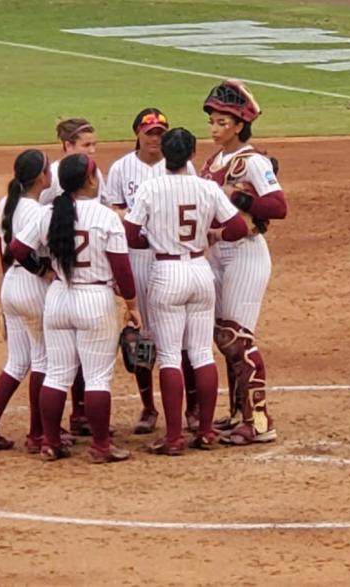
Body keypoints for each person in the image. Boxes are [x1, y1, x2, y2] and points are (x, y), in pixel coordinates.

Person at [123, 128, 249, 454]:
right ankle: (205, 432)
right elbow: (237, 227)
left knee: (168, 358)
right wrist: (211, 235)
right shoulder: (207, 187)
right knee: (202, 354)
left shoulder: (150, 188)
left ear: (165, 153)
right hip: (199, 270)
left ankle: (174, 437)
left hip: (166, 272)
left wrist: (152, 241)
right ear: (192, 155)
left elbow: (130, 233)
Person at [8, 153, 140, 463]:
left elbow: (18, 249)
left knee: (56, 374)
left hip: (58, 298)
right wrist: (132, 305)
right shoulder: (106, 217)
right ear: (91, 180)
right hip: (95, 301)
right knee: (96, 378)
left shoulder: (49, 212)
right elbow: (122, 269)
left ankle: (51, 443)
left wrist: (43, 270)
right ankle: (101, 446)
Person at [199, 79, 288, 445]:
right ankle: (239, 412)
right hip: (219, 252)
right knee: (224, 337)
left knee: (238, 337)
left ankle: (261, 420)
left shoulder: (253, 161)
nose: (215, 129)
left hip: (246, 255)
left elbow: (278, 206)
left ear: (239, 125)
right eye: (213, 122)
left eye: (223, 123)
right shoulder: (212, 162)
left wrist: (238, 197)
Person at [103, 108, 199, 434]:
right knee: (142, 338)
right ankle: (148, 408)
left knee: (183, 338)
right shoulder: (120, 168)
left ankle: (194, 409)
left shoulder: (183, 166)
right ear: (137, 134)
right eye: (150, 132)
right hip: (138, 260)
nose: (155, 138)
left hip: (171, 256)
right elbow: (112, 209)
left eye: (160, 132)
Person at [0, 149, 53, 453]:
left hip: (11, 285)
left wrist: (9, 284)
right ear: (42, 176)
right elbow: (28, 250)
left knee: (18, 362)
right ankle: (37, 434)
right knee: (44, 361)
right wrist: (44, 271)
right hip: (33, 287)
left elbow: (2, 248)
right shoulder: (37, 211)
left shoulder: (6, 203)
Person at [41, 118, 112, 435]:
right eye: (86, 145)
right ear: (67, 146)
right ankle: (82, 420)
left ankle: (77, 417)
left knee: (71, 361)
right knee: (76, 360)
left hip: (66, 285)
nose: (93, 151)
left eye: (95, 144)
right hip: (78, 281)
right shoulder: (55, 177)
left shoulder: (95, 173)